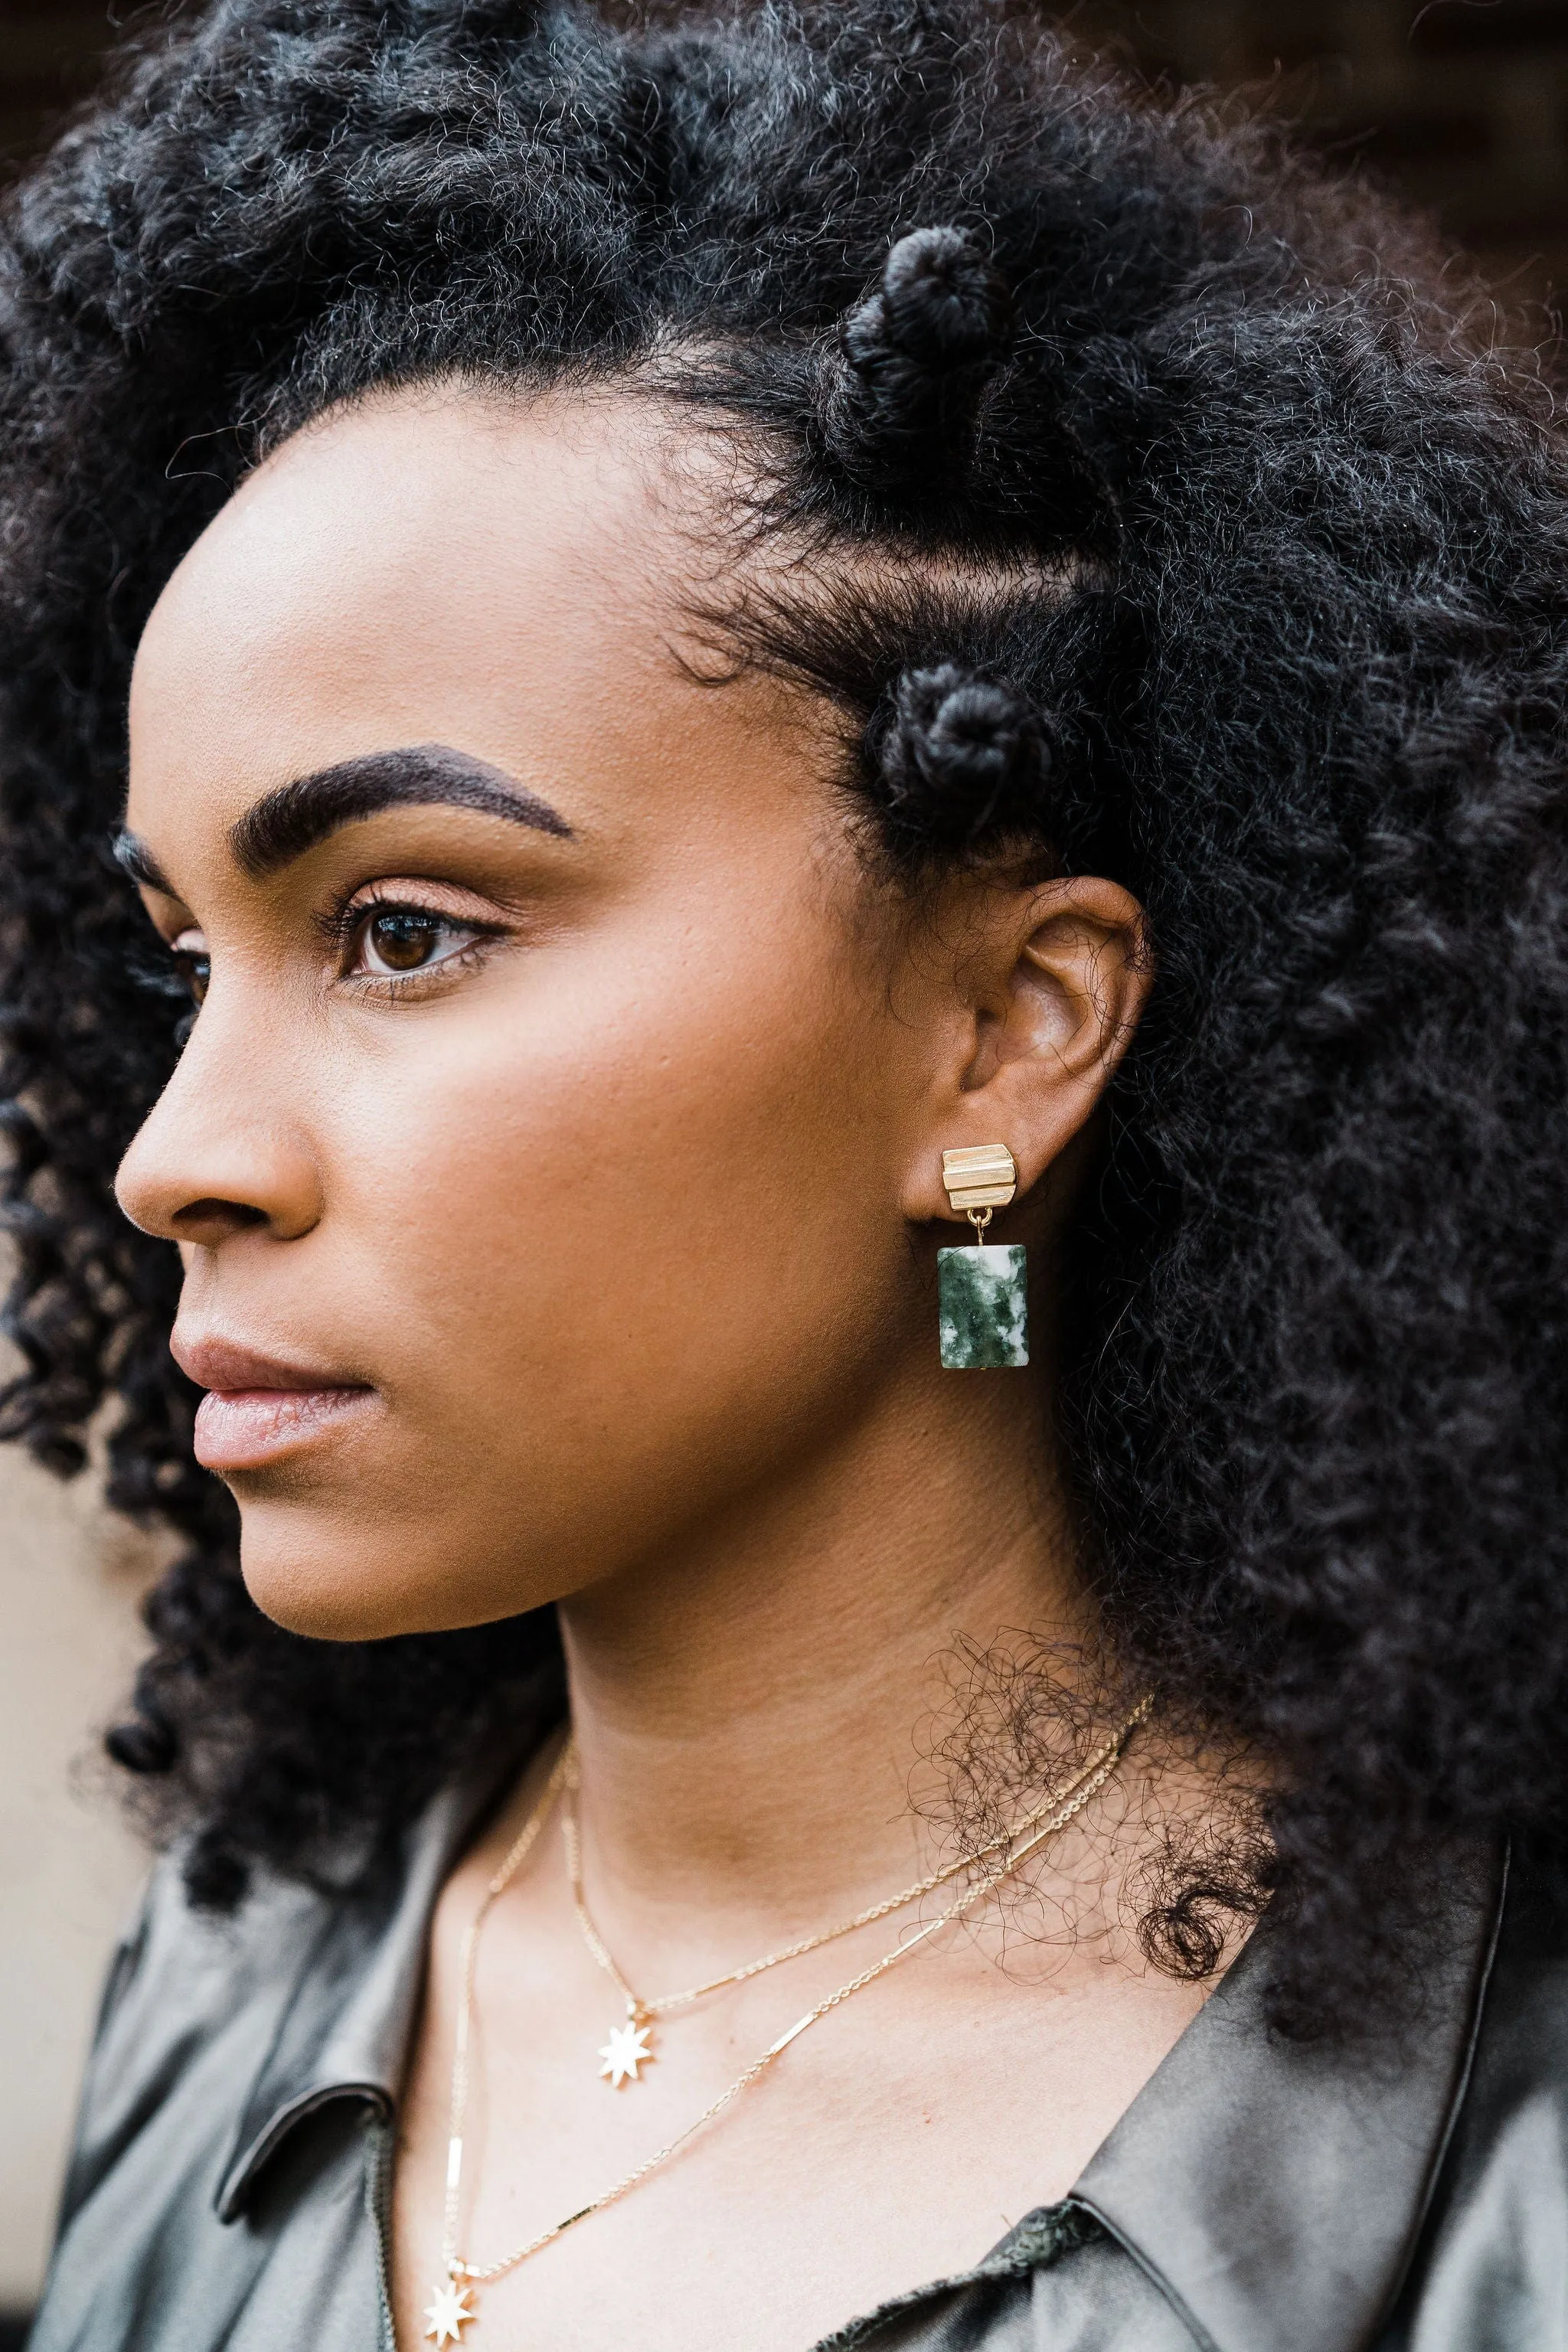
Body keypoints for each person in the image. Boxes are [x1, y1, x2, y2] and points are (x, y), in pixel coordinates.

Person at [6, 2, 1568, 2346]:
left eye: (403, 932)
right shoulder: (249, 1965)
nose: (175, 1158)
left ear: (1006, 1028)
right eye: (176, 966)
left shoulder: (1482, 2164)